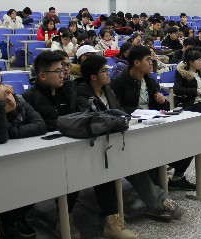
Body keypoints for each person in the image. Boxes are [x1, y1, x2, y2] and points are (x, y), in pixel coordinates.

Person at [23, 51, 139, 239]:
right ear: (42, 75)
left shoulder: (69, 91)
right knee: (72, 171)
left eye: (64, 69)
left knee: (101, 165)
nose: (63, 74)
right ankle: (64, 217)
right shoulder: (29, 98)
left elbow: (82, 117)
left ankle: (111, 220)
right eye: (58, 71)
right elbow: (35, 128)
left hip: (74, 147)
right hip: (46, 152)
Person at [75, 55, 185, 220]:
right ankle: (160, 201)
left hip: (116, 140)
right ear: (93, 77)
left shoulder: (107, 91)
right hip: (95, 146)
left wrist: (123, 120)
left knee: (138, 164)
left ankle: (161, 201)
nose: (108, 73)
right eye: (104, 71)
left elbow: (119, 112)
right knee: (128, 166)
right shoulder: (82, 95)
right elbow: (94, 119)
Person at [110, 45, 196, 190]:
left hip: (154, 122)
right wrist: (136, 112)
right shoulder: (120, 81)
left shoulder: (148, 78)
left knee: (188, 143)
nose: (151, 63)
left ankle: (176, 178)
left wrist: (161, 100)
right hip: (134, 126)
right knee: (154, 172)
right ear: (137, 63)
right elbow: (116, 109)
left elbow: (162, 104)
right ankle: (154, 187)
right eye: (148, 60)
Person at [0, 79, 46, 239]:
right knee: (3, 185)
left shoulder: (19, 100)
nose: (10, 100)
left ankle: (19, 214)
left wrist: (10, 132)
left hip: (19, 157)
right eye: (1, 99)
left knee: (35, 179)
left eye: (7, 93)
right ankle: (3, 219)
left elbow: (40, 125)